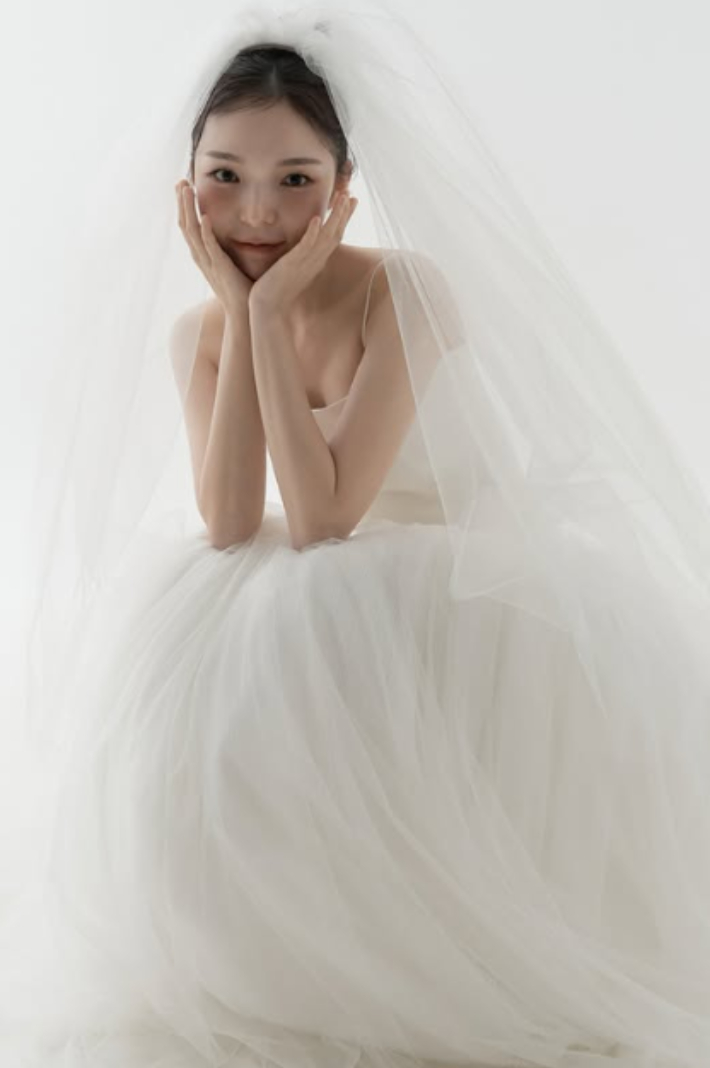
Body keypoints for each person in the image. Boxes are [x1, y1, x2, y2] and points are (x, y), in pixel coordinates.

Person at [3, 2, 710, 1066]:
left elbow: (326, 516)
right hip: (326, 575)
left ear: (343, 187)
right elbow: (231, 520)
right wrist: (245, 315)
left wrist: (271, 302)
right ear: (186, 183)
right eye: (224, 174)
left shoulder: (408, 292)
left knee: (310, 615)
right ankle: (266, 949)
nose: (256, 210)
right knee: (221, 623)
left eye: (296, 178)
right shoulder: (199, 331)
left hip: (462, 585)